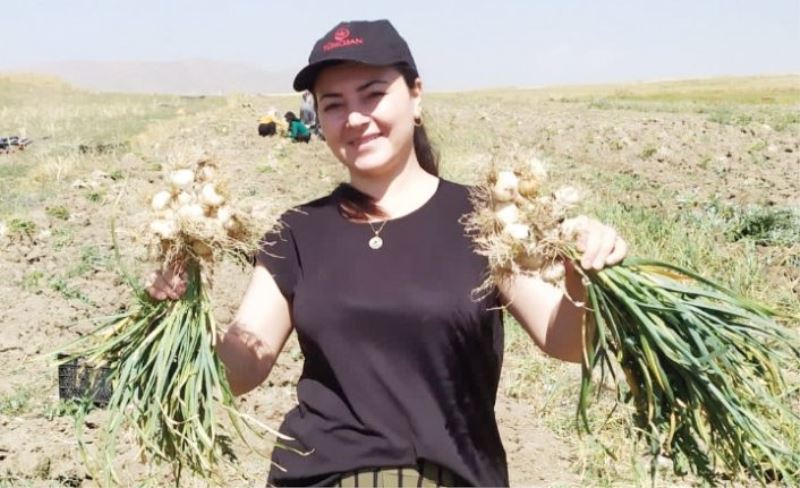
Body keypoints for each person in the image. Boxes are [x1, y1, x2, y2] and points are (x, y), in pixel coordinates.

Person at [146, 19, 628, 487]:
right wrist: (183, 319)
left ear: (415, 96)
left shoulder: (485, 219)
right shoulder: (298, 231)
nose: (355, 118)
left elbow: (562, 339)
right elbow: (245, 367)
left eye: (373, 94)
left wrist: (580, 278)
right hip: (321, 476)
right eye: (333, 104)